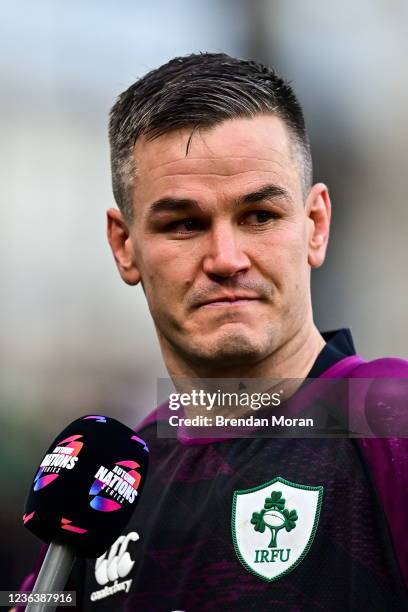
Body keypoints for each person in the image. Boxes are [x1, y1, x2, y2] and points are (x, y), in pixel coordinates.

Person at [18, 53, 408, 611]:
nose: (227, 259)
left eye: (259, 216)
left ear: (315, 226)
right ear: (124, 246)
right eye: (184, 224)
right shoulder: (110, 479)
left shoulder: (392, 419)